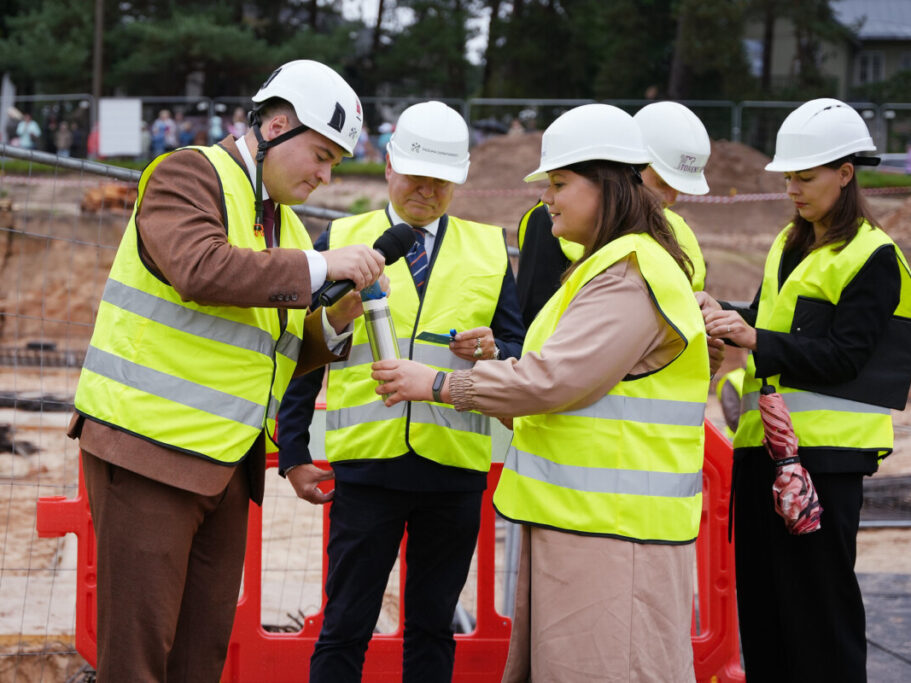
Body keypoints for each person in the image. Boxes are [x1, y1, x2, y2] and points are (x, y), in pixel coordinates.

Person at [67, 59, 385, 683]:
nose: (326, 175)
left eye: (336, 163)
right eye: (322, 155)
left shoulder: (286, 226)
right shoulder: (188, 173)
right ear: (277, 127)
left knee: (198, 659)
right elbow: (200, 269)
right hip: (148, 451)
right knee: (136, 662)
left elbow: (277, 349)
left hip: (226, 467)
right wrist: (323, 267)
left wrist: (336, 319)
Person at [372, 103, 710, 681]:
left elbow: (553, 380)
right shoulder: (606, 267)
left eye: (558, 184)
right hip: (587, 524)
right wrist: (499, 364)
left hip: (612, 532)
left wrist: (438, 383)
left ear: (606, 184)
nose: (546, 199)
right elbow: (559, 378)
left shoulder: (629, 272)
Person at [278, 100, 525, 682]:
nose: (427, 190)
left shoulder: (489, 250)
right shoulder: (342, 238)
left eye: (441, 180)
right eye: (416, 175)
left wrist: (494, 350)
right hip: (367, 468)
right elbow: (300, 351)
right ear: (389, 165)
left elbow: (519, 351)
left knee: (433, 629)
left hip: (452, 471)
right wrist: (293, 451)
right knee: (345, 626)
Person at [697, 98, 911, 682]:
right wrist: (725, 312)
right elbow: (775, 322)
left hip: (826, 461)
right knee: (765, 612)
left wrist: (754, 337)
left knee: (819, 615)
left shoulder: (873, 256)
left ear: (845, 174)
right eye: (788, 176)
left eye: (805, 177)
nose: (792, 188)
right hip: (762, 453)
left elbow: (845, 356)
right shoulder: (789, 243)